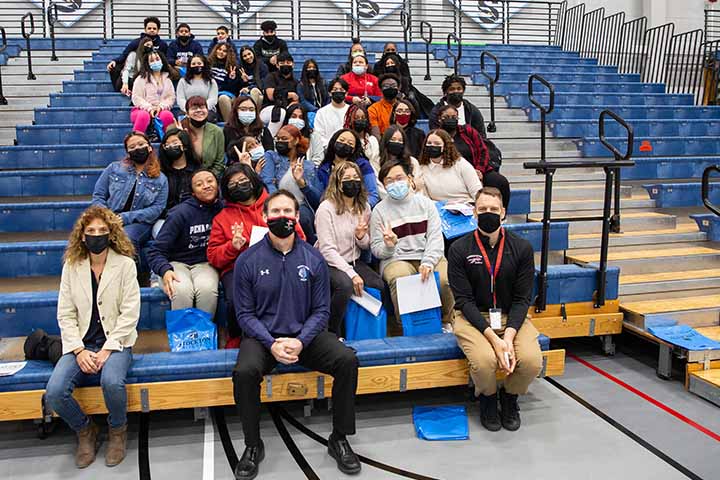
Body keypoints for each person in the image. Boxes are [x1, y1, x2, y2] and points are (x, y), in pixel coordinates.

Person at [232, 190, 361, 479]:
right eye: (275, 212)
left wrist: (301, 340)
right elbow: (244, 315)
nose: (282, 218)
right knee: (244, 372)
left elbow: (321, 312)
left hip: (306, 336)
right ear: (264, 217)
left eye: (287, 212)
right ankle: (253, 445)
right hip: (263, 339)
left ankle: (339, 437)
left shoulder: (313, 259)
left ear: (296, 216)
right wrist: (271, 343)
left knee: (347, 360)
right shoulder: (247, 261)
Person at [45, 205, 139, 469]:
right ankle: (85, 430)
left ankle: (117, 432)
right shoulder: (72, 266)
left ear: (111, 234)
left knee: (111, 382)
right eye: (90, 231)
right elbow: (65, 314)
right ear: (82, 236)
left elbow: (130, 314)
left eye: (102, 230)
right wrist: (78, 350)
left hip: (117, 343)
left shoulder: (126, 265)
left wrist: (107, 350)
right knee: (54, 392)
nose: (96, 235)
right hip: (81, 345)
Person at [448, 186, 543, 432]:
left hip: (510, 316)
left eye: (493, 209)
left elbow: (523, 299)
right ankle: (488, 399)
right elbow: (463, 301)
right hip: (472, 317)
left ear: (503, 213)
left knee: (532, 361)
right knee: (484, 361)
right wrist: (493, 338)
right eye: (482, 209)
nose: (488, 213)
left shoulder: (521, 248)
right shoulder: (459, 249)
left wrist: (509, 336)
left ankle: (510, 398)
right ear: (474, 214)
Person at [207, 164, 305, 345]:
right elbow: (213, 256)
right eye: (233, 184)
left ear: (253, 180)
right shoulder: (222, 217)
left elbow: (300, 237)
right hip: (238, 267)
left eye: (243, 181)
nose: (239, 186)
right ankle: (236, 337)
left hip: (280, 261)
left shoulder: (276, 205)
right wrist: (233, 247)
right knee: (235, 299)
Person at [370, 161, 454, 325]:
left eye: (399, 178)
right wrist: (389, 245)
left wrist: (428, 262)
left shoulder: (426, 204)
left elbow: (435, 238)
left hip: (426, 254)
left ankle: (448, 321)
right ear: (384, 185)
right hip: (396, 259)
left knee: (444, 279)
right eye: (389, 180)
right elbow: (376, 249)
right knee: (401, 278)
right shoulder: (379, 211)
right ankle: (407, 327)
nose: (395, 183)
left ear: (409, 179)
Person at [315, 161, 384, 337]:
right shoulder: (326, 208)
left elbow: (364, 245)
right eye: (346, 178)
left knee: (377, 283)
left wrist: (361, 236)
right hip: (328, 263)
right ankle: (331, 332)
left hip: (354, 260)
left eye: (356, 178)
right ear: (337, 183)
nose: (352, 182)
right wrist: (351, 274)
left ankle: (365, 332)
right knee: (344, 285)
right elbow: (327, 250)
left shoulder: (364, 207)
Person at [147, 169, 223, 316]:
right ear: (193, 192)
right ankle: (182, 338)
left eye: (210, 181)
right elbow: (155, 250)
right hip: (177, 263)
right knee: (181, 291)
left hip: (205, 263)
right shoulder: (180, 213)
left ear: (217, 185)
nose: (206, 186)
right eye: (199, 184)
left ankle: (203, 337)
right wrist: (165, 270)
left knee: (207, 290)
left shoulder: (223, 209)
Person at [92, 132, 168, 259]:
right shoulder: (113, 168)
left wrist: (125, 217)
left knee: (126, 237)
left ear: (149, 147)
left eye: (141, 144)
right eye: (132, 147)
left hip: (140, 222)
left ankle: (132, 276)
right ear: (128, 152)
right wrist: (107, 216)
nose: (137, 148)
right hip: (109, 217)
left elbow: (157, 209)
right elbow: (98, 196)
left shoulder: (160, 179)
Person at [260, 124, 322, 243]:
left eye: (284, 139)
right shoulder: (271, 156)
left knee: (303, 219)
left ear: (296, 140)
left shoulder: (309, 166)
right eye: (277, 139)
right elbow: (267, 181)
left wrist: (302, 183)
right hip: (276, 202)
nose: (279, 142)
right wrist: (280, 202)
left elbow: (317, 198)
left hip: (302, 205)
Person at [317, 129, 380, 207]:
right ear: (334, 142)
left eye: (350, 143)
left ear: (353, 149)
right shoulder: (324, 169)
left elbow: (373, 195)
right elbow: (320, 196)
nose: (344, 144)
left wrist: (359, 208)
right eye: (341, 140)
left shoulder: (363, 165)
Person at [156, 127, 201, 236]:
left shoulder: (198, 171)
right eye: (167, 145)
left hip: (194, 217)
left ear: (184, 145)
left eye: (175, 143)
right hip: (166, 219)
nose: (171, 146)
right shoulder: (160, 173)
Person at [417, 129, 482, 203]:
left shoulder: (461, 164)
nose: (432, 146)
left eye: (437, 144)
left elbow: (477, 192)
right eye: (429, 143)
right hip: (438, 209)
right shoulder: (421, 167)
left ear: (445, 147)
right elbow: (424, 198)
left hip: (465, 206)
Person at [107, 16, 168, 92]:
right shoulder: (136, 42)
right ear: (145, 29)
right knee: (115, 68)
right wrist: (115, 61)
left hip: (153, 72)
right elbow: (124, 55)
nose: (152, 30)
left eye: (154, 28)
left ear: (158, 30)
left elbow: (166, 60)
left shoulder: (163, 45)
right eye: (149, 28)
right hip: (136, 72)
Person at [130, 51, 176, 137]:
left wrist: (161, 107)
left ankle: (169, 141)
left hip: (161, 109)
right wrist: (149, 108)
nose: (155, 62)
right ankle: (137, 140)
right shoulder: (141, 78)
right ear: (148, 63)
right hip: (141, 110)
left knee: (167, 115)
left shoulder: (168, 79)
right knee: (144, 116)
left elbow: (171, 97)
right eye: (152, 60)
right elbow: (136, 97)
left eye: (157, 59)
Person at [437, 104, 490, 178]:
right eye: (446, 117)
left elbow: (483, 151)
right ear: (439, 119)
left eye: (454, 117)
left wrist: (479, 170)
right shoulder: (436, 136)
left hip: (474, 169)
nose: (450, 119)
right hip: (449, 173)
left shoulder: (468, 131)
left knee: (500, 181)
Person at [180, 96, 225, 179]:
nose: (198, 110)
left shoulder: (217, 131)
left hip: (210, 177)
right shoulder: (179, 130)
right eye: (194, 108)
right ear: (187, 113)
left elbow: (219, 163)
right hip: (184, 178)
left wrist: (208, 178)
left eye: (202, 107)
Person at [375, 125, 423, 199]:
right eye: (393, 139)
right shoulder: (376, 162)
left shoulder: (412, 162)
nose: (396, 143)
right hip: (387, 203)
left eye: (400, 140)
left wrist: (406, 197)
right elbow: (380, 189)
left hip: (412, 202)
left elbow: (418, 186)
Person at [176, 54, 219, 121]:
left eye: (199, 63)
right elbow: (180, 99)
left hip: (207, 110)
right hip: (187, 110)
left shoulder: (211, 82)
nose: (196, 65)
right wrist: (190, 110)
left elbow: (213, 99)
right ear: (189, 66)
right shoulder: (182, 81)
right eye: (193, 64)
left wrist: (202, 109)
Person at [312, 77, 350, 150]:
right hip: (327, 149)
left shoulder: (351, 111)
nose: (338, 91)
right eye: (335, 90)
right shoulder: (321, 112)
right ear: (330, 93)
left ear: (346, 93)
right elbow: (319, 135)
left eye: (341, 90)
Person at [208, 42, 241, 122]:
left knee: (223, 98)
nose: (221, 52)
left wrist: (231, 79)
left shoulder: (233, 66)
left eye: (224, 51)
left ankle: (229, 125)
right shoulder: (208, 64)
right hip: (210, 93)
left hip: (227, 94)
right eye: (219, 49)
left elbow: (234, 88)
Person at [344, 104, 380, 174]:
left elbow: (377, 162)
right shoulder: (347, 142)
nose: (360, 120)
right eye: (356, 118)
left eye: (363, 118)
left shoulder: (373, 140)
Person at [368, 73, 401, 138]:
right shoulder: (373, 109)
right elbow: (376, 134)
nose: (390, 88)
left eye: (394, 86)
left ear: (398, 88)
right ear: (380, 89)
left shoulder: (403, 107)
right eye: (386, 86)